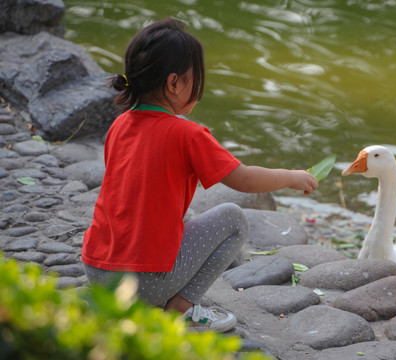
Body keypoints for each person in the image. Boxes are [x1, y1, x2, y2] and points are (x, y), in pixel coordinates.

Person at [81, 18, 318, 333]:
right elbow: (243, 180)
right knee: (233, 218)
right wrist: (290, 176)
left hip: (97, 270)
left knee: (184, 215)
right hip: (142, 282)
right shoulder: (187, 134)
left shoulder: (120, 124)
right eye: (197, 78)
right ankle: (179, 308)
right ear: (174, 83)